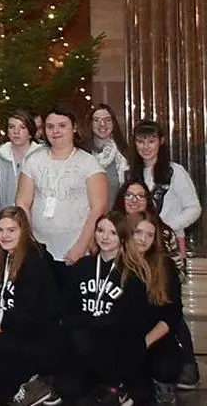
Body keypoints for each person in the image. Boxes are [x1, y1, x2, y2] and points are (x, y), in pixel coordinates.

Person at [0, 208, 61, 406]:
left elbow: (29, 315)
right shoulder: (0, 258)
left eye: (11, 230)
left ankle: (37, 378)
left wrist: (0, 330)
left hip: (35, 338)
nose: (5, 236)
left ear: (23, 231)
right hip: (8, 334)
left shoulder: (35, 260)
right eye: (0, 230)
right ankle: (23, 382)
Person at [52, 212, 151, 406]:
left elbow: (125, 321)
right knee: (67, 388)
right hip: (85, 342)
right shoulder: (82, 266)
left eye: (113, 233)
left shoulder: (132, 273)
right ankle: (103, 384)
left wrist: (86, 323)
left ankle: (118, 385)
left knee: (83, 338)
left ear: (123, 237)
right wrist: (84, 324)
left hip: (117, 343)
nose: (104, 237)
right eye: (100, 231)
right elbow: (66, 309)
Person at [16, 105, 109, 288]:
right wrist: (30, 243)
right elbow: (22, 202)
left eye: (62, 125)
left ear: (74, 127)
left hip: (75, 251)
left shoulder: (89, 163)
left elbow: (98, 208)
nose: (55, 131)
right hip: (40, 250)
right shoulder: (33, 160)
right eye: (50, 127)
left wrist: (81, 247)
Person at [127, 120, 201, 268]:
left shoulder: (175, 171)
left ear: (161, 141)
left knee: (168, 287)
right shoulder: (129, 173)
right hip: (137, 244)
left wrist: (167, 227)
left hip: (168, 243)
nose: (145, 147)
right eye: (140, 142)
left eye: (151, 141)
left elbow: (194, 208)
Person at [127, 211, 184, 404]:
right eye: (138, 232)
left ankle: (163, 387)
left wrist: (145, 341)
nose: (143, 239)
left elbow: (172, 313)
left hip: (156, 337)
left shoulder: (165, 266)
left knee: (166, 366)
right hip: (125, 338)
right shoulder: (118, 263)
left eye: (150, 235)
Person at [0, 110, 43, 210]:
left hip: (35, 219)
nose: (16, 131)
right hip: (4, 217)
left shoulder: (42, 157)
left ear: (30, 132)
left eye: (22, 127)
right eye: (12, 127)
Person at [88, 104, 130, 201]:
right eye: (96, 120)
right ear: (90, 124)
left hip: (116, 214)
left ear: (114, 123)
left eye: (107, 120)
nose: (102, 124)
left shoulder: (125, 154)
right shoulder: (82, 154)